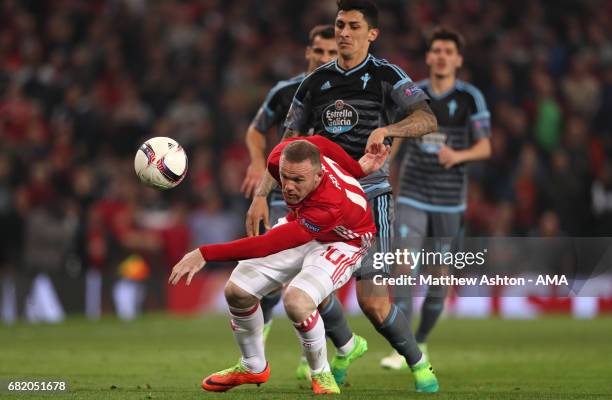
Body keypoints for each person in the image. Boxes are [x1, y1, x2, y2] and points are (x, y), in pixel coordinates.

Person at [246, 0, 439, 393]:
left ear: (372, 34)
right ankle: (346, 349)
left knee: (374, 304)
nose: (344, 32)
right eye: (339, 25)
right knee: (311, 291)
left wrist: (390, 130)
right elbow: (287, 143)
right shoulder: (314, 83)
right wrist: (261, 195)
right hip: (326, 202)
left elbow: (427, 118)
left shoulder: (387, 75)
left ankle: (419, 363)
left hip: (371, 199)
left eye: (354, 26)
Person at [170, 136, 389, 395]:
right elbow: (318, 141)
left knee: (297, 300)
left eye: (298, 180)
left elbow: (267, 245)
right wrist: (357, 168)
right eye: (286, 177)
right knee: (237, 290)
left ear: (319, 176)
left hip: (345, 241)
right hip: (304, 224)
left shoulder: (330, 205)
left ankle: (321, 375)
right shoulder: (278, 158)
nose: (288, 187)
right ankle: (252, 366)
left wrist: (205, 253)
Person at [240, 25, 364, 384]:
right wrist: (255, 163)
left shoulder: (345, 92)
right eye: (319, 52)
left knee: (305, 283)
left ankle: (339, 344)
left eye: (331, 53)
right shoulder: (285, 91)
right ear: (307, 52)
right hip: (282, 194)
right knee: (268, 268)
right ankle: (336, 344)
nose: (324, 58)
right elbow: (256, 129)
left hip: (324, 200)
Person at [380, 27, 492, 370]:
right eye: (437, 50)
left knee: (439, 278)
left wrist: (457, 156)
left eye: (448, 51)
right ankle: (406, 347)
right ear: (428, 57)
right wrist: (384, 171)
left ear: (457, 59)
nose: (442, 55)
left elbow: (486, 146)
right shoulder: (413, 95)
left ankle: (424, 340)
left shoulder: (470, 97)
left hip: (449, 202)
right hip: (413, 193)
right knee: (403, 267)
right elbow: (396, 138)